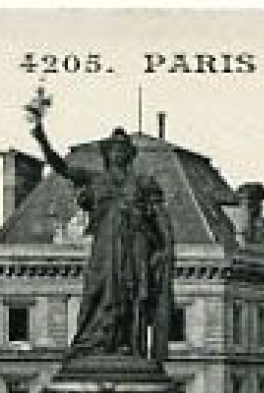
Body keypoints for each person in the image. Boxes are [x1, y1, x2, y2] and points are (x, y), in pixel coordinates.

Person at [29, 110, 174, 361]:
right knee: (96, 291)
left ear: (128, 155)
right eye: (112, 150)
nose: (117, 154)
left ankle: (128, 345)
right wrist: (40, 136)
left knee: (131, 296)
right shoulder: (95, 179)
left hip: (135, 244)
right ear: (107, 155)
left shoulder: (142, 183)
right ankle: (92, 342)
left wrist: (167, 247)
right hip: (105, 245)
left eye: (122, 150)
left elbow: (160, 217)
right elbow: (60, 166)